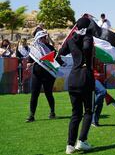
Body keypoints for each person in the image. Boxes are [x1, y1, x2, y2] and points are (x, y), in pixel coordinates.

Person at [58, 17, 95, 154]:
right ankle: (82, 141)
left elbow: (59, 54)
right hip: (85, 78)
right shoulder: (88, 37)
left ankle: (70, 145)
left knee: (75, 114)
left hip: (73, 79)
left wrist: (62, 63)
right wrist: (85, 59)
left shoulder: (70, 39)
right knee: (88, 111)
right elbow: (86, 46)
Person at [25, 31, 63, 123]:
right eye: (42, 38)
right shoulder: (34, 49)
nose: (44, 39)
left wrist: (60, 57)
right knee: (34, 94)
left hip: (49, 74)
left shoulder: (50, 48)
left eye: (45, 37)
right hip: (36, 75)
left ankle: (52, 112)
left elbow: (57, 59)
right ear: (38, 39)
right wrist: (29, 64)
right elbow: (29, 61)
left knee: (48, 93)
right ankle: (31, 115)